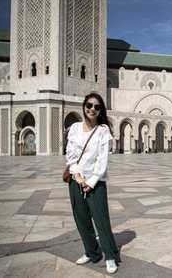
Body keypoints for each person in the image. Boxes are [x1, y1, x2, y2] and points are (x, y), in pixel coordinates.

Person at [66, 93, 120, 274]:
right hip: (75, 181)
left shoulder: (103, 131)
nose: (92, 109)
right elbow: (70, 155)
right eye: (89, 105)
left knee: (101, 220)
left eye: (97, 107)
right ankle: (92, 252)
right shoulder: (74, 128)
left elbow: (102, 160)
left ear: (100, 111)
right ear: (84, 106)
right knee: (81, 219)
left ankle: (110, 256)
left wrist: (91, 181)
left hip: (95, 183)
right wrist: (76, 174)